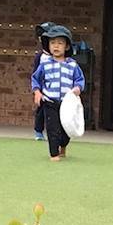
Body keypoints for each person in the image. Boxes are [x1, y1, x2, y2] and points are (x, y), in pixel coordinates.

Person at [31, 25, 84, 162]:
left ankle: (63, 145)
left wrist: (78, 88)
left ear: (67, 46)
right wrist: (37, 92)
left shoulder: (72, 65)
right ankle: (54, 154)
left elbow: (79, 79)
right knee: (52, 128)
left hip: (67, 104)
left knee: (66, 129)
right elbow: (35, 79)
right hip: (50, 101)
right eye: (52, 43)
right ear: (48, 46)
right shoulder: (45, 64)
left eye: (60, 43)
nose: (56, 46)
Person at [32, 22, 54, 141]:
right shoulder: (40, 56)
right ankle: (38, 131)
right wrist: (37, 90)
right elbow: (35, 74)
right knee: (41, 109)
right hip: (43, 88)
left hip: (56, 88)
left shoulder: (61, 56)